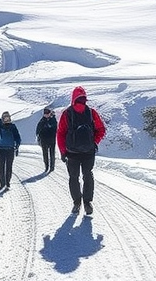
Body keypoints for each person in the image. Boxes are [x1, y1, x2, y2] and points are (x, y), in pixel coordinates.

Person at [56, 86, 106, 215]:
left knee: (73, 177)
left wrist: (63, 151)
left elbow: (60, 133)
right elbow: (101, 129)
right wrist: (94, 142)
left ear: (73, 98)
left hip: (71, 152)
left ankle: (76, 202)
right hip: (88, 151)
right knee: (88, 175)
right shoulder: (91, 112)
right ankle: (87, 202)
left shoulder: (67, 113)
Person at [0, 111, 21, 190]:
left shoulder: (12, 127)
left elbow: (17, 137)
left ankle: (7, 182)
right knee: (1, 167)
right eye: (5, 118)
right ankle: (2, 183)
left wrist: (17, 145)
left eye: (8, 118)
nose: (7, 120)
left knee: (9, 167)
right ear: (2, 119)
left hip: (10, 149)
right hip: (0, 150)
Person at [35, 107, 58, 172]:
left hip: (51, 139)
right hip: (44, 140)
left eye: (47, 113)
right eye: (45, 113)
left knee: (52, 153)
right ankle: (46, 166)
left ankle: (52, 166)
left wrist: (52, 118)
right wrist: (38, 137)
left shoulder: (53, 120)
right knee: (45, 154)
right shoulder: (42, 120)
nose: (46, 115)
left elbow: (56, 128)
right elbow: (38, 130)